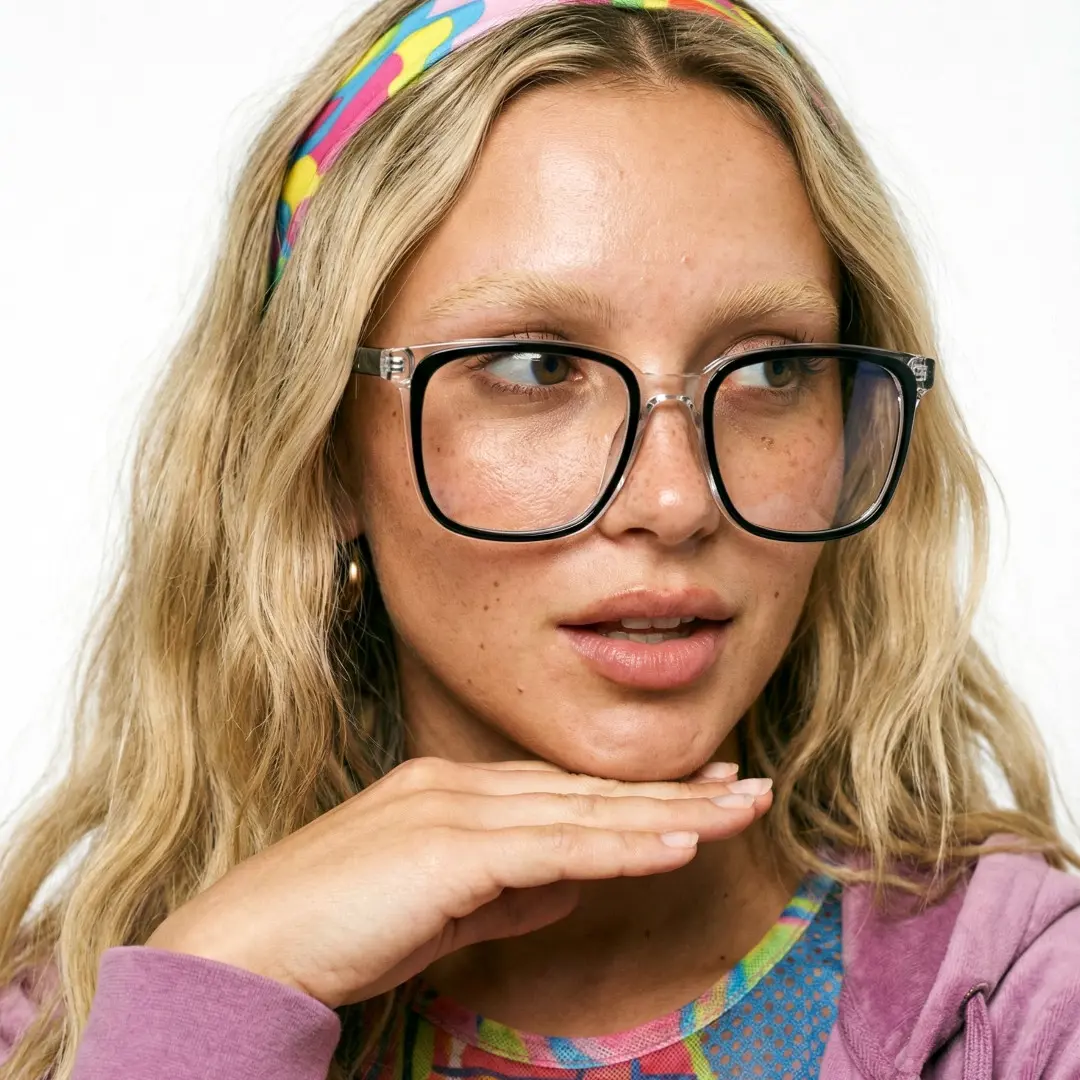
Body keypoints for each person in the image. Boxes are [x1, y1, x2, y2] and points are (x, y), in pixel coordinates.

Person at [1, 0, 1078, 1077]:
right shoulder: (72, 1031)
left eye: (768, 368)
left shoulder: (1028, 1005)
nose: (676, 498)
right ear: (321, 447)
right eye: (535, 367)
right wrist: (212, 1010)